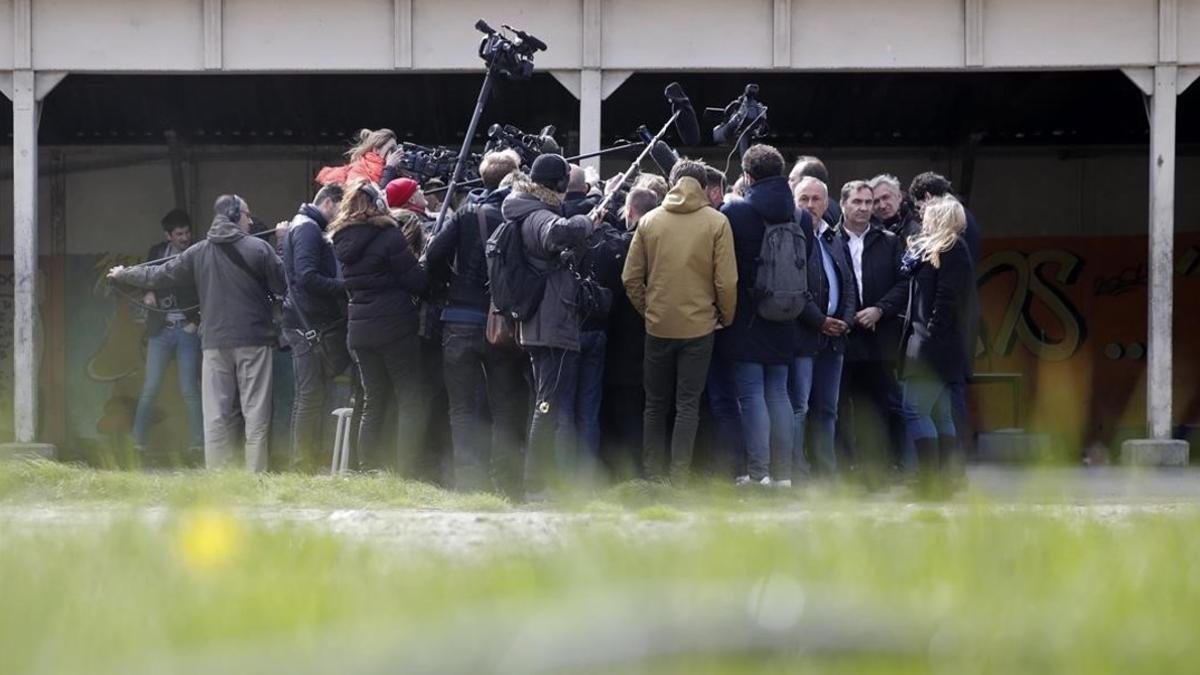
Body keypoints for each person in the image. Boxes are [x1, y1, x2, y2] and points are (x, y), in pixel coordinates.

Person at [108, 195, 285, 471]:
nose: (251, 221)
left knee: (215, 414)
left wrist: (123, 274)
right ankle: (255, 476)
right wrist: (284, 242)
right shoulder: (260, 248)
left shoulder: (198, 251)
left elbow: (159, 275)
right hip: (253, 340)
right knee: (256, 414)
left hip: (214, 342)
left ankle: (217, 476)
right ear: (235, 214)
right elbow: (284, 283)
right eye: (247, 215)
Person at [622, 159, 737, 484]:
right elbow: (726, 282)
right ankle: (679, 475)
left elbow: (630, 278)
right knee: (688, 404)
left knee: (655, 404)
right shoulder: (717, 222)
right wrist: (724, 316)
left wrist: (650, 310)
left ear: (671, 181)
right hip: (701, 327)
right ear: (704, 186)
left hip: (658, 326)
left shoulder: (649, 222)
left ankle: (651, 473)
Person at [423, 150, 528, 497]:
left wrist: (446, 287)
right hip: (502, 323)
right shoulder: (518, 216)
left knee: (462, 407)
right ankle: (506, 484)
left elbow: (434, 255)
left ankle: (468, 483)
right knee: (504, 406)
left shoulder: (467, 213)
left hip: (459, 320)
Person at [501, 154, 596, 499]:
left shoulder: (525, 209)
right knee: (547, 406)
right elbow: (559, 235)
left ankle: (536, 484)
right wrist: (586, 222)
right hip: (551, 322)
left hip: (541, 322)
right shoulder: (539, 214)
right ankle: (536, 487)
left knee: (545, 404)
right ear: (557, 185)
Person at [329, 179, 429, 473]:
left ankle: (367, 466)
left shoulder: (340, 239)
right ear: (377, 204)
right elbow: (416, 281)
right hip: (394, 326)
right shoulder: (389, 235)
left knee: (373, 398)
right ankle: (407, 468)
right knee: (410, 396)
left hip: (359, 330)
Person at [719, 145, 798, 486]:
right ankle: (784, 476)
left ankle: (759, 473)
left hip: (749, 315)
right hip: (787, 314)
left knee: (751, 396)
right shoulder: (801, 216)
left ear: (748, 176)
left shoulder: (735, 212)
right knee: (779, 395)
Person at [898, 196, 975, 497]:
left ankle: (930, 481)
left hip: (932, 345)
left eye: (928, 217)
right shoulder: (933, 250)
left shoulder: (951, 249)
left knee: (915, 410)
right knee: (940, 413)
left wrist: (930, 333)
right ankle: (944, 482)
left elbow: (947, 297)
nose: (923, 221)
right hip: (935, 343)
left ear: (938, 219)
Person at [838, 181, 910, 487]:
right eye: (857, 201)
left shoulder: (891, 241)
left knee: (878, 408)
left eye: (868, 202)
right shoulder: (829, 239)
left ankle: (877, 471)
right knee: (839, 408)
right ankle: (844, 471)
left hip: (879, 337)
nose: (864, 207)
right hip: (840, 337)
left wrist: (880, 309)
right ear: (843, 204)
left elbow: (906, 283)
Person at [790, 178, 857, 480]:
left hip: (834, 340)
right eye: (803, 198)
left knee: (828, 409)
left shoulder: (833, 238)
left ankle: (826, 471)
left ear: (826, 203)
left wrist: (846, 318)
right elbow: (791, 289)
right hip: (804, 337)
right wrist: (819, 320)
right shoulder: (791, 238)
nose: (810, 205)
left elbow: (849, 284)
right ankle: (797, 470)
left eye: (817, 199)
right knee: (800, 407)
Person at [280, 184, 349, 472]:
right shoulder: (307, 228)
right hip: (308, 325)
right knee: (310, 397)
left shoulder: (301, 224)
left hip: (304, 323)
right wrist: (344, 288)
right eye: (341, 208)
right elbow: (307, 277)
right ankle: (301, 464)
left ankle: (306, 462)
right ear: (330, 203)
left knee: (312, 396)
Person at [130, 208, 203, 460]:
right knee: (150, 388)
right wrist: (147, 292)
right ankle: (137, 445)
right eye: (179, 233)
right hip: (160, 329)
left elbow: (206, 289)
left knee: (189, 390)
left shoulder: (196, 254)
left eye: (187, 232)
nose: (185, 237)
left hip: (186, 329)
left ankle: (197, 446)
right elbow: (146, 276)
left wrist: (196, 320)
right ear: (168, 235)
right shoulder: (157, 253)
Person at [601, 187, 660, 479]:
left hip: (624, 338)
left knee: (625, 407)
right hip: (660, 334)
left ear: (631, 212)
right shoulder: (666, 245)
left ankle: (629, 472)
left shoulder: (620, 245)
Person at [316, 128, 397, 187]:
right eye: (391, 149)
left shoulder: (395, 171)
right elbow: (365, 201)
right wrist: (389, 170)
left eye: (396, 149)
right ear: (376, 150)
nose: (395, 153)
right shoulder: (358, 169)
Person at [789, 155, 841, 225]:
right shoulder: (834, 207)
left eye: (792, 180)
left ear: (808, 181)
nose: (788, 183)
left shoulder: (826, 218)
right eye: (804, 199)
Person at [869, 174, 920, 239]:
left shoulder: (914, 232)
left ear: (899, 196)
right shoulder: (866, 233)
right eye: (876, 201)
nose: (882, 206)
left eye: (885, 197)